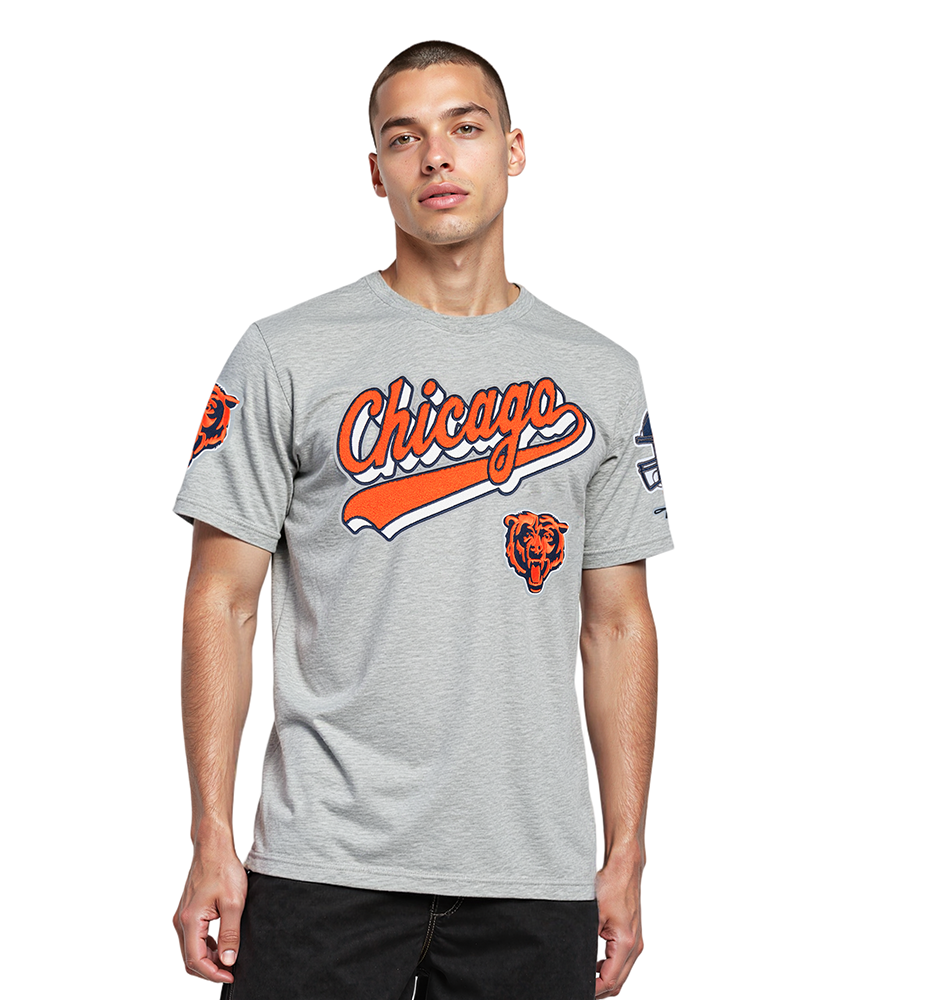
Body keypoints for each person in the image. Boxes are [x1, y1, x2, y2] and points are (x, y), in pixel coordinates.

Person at [171, 40, 673, 1000]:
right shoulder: (286, 354)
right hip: (322, 861)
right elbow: (220, 602)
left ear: (514, 150)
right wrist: (209, 835)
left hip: (532, 872)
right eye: (404, 138)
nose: (436, 156)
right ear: (377, 172)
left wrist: (627, 851)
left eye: (465, 127)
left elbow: (618, 625)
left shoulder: (602, 375)